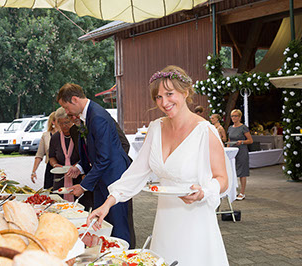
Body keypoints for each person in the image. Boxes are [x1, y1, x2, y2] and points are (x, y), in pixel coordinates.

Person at [87, 65, 231, 265]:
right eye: (158, 97)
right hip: (165, 221)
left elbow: (223, 179)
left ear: (186, 91)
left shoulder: (205, 131)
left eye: (169, 94)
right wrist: (107, 204)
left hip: (196, 221)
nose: (164, 102)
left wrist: (204, 192)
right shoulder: (155, 128)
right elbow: (136, 173)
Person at [57, 83, 132, 245]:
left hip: (113, 177)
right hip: (102, 177)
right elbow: (91, 151)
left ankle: (123, 255)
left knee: (117, 224)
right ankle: (105, 253)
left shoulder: (97, 116)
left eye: (66, 107)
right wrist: (82, 169)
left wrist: (83, 186)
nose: (67, 112)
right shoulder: (88, 115)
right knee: (102, 224)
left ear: (75, 99)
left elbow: (104, 158)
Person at [66, 113, 136, 248]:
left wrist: (106, 168)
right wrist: (80, 167)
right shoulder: (75, 130)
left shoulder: (103, 119)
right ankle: (106, 252)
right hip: (97, 181)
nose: (71, 118)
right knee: (102, 223)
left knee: (120, 222)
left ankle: (127, 252)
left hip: (116, 179)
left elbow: (123, 145)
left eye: (72, 113)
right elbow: (88, 154)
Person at [48, 107, 82, 202]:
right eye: (60, 123)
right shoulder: (55, 138)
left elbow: (86, 156)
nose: (64, 126)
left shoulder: (79, 135)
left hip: (78, 178)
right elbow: (51, 157)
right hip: (60, 179)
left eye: (66, 122)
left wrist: (78, 166)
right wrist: (55, 165)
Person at [227, 109, 253, 200]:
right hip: (232, 152)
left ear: (240, 117)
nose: (233, 118)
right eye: (232, 116)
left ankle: (242, 193)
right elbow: (229, 140)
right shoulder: (230, 128)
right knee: (231, 171)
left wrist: (241, 142)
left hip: (241, 151)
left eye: (235, 116)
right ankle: (233, 191)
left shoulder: (243, 127)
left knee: (242, 172)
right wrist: (227, 149)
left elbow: (250, 140)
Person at [30, 112, 57, 189]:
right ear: (53, 122)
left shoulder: (66, 134)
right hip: (50, 169)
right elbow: (39, 155)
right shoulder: (46, 135)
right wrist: (33, 171)